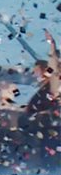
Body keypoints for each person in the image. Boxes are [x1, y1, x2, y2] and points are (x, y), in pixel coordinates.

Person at [18, 29, 60, 160]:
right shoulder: (48, 84)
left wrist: (52, 45)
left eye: (37, 71)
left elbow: (53, 67)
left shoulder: (53, 85)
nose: (35, 74)